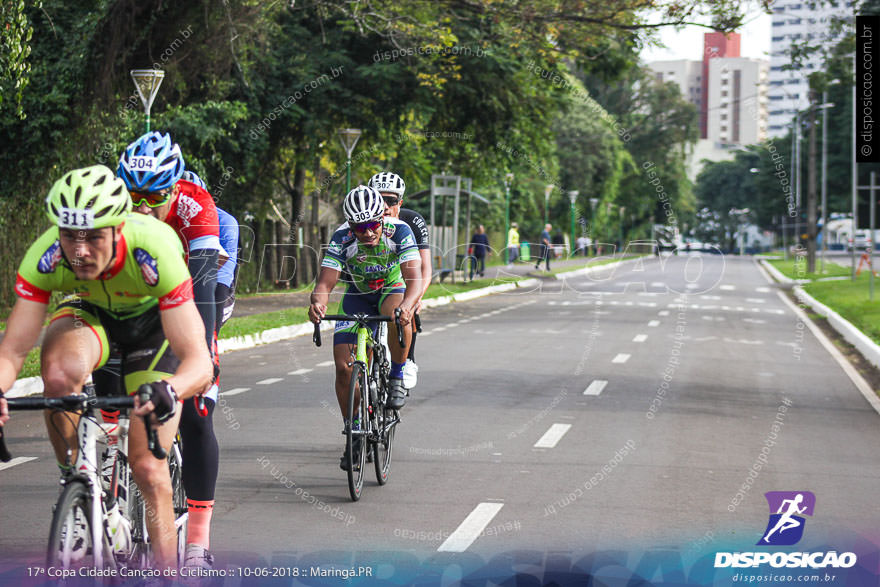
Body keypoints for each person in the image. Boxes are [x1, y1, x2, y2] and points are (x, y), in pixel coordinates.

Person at [0, 165, 213, 570]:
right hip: (90, 312)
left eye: (94, 237)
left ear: (119, 228)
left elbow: (198, 360)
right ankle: (78, 485)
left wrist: (172, 389)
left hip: (154, 326)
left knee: (149, 468)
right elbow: (11, 352)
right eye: (69, 236)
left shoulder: (154, 248)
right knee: (60, 378)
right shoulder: (45, 255)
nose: (79, 251)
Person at [117, 133, 223, 570]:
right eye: (133, 194)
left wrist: (202, 358)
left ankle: (197, 542)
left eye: (154, 195)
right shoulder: (112, 205)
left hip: (186, 303)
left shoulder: (196, 208)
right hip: (130, 302)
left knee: (197, 410)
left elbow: (202, 294)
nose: (141, 206)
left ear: (176, 187)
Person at [308, 186, 422, 469]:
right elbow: (325, 283)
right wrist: (319, 304)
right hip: (357, 296)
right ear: (351, 225)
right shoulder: (342, 237)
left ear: (382, 218)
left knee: (396, 315)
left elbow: (414, 280)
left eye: (373, 225)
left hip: (391, 289)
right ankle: (354, 429)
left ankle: (396, 375)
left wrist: (408, 306)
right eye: (360, 228)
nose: (368, 233)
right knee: (344, 367)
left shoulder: (400, 232)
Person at [367, 172, 430, 389]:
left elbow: (424, 267)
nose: (384, 206)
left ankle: (407, 360)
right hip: (370, 280)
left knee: (406, 310)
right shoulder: (362, 220)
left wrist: (416, 297)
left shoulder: (412, 221)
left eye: (390, 201)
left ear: (400, 202)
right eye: (379, 199)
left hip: (401, 280)